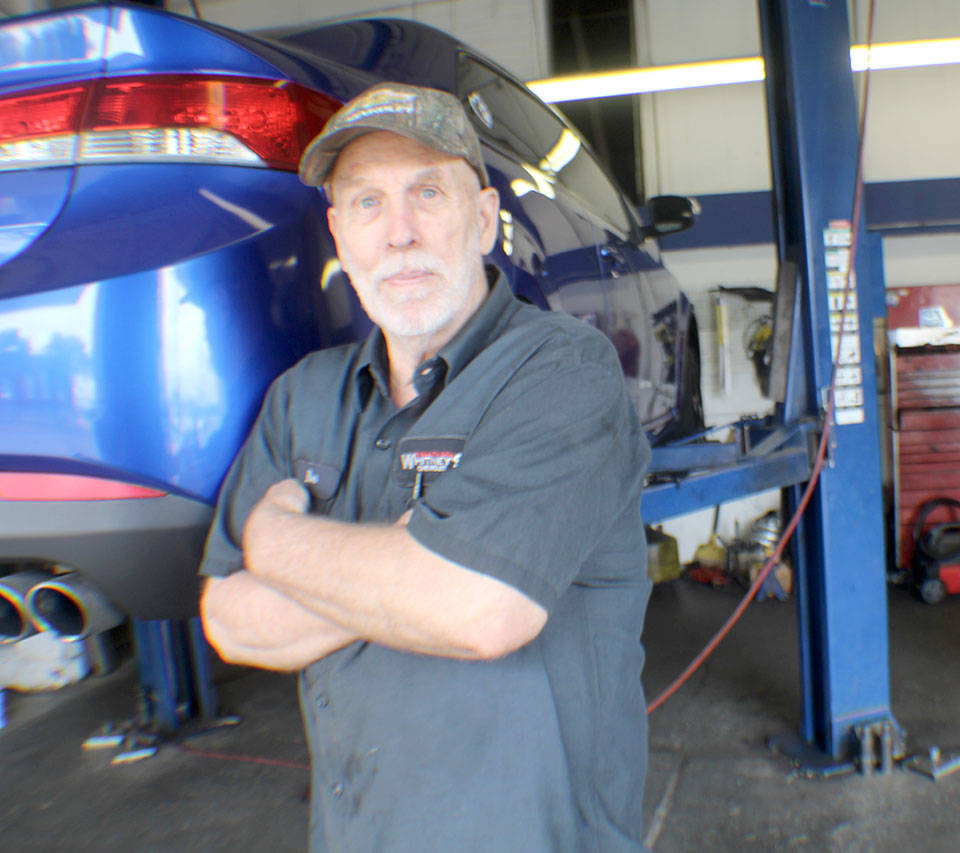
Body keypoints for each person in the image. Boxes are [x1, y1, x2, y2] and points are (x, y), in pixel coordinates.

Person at [198, 82, 652, 851]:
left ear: (482, 221)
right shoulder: (305, 396)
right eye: (367, 204)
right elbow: (230, 622)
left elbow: (478, 611)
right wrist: (410, 569)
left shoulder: (561, 370)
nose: (398, 233)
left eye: (427, 193)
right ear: (340, 233)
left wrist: (277, 545)